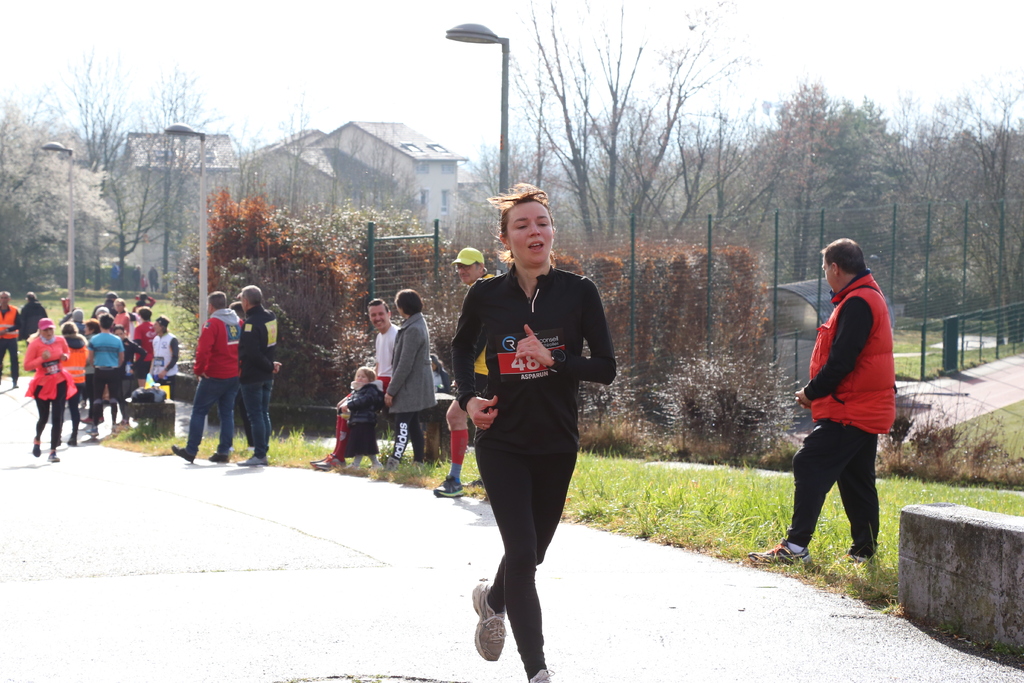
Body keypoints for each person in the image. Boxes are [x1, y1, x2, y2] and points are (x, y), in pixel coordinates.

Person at [451, 184, 616, 683]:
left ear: (552, 233)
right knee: (522, 554)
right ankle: (538, 671)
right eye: (522, 224)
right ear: (506, 239)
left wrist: (555, 358)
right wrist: (468, 399)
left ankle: (492, 598)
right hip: (501, 439)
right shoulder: (485, 294)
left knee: (534, 552)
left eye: (542, 222)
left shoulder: (579, 292)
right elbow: (461, 347)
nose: (534, 231)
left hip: (556, 442)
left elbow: (606, 368)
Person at [749, 238, 896, 566]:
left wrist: (811, 392)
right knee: (856, 479)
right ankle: (864, 553)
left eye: (825, 268)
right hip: (862, 405)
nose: (825, 274)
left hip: (851, 408)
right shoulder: (867, 296)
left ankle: (796, 547)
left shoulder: (858, 302)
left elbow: (842, 362)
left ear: (835, 268)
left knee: (809, 462)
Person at [312, 299, 398, 469]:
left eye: (381, 314)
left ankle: (339, 457)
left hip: (388, 384)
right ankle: (337, 455)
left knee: (348, 407)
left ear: (389, 314)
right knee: (341, 406)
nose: (377, 318)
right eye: (373, 315)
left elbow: (399, 367)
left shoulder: (396, 334)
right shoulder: (379, 336)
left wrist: (390, 391)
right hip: (377, 383)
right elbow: (379, 366)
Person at [435, 247, 492, 499]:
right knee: (486, 425)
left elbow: (479, 336)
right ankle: (488, 478)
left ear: (481, 266)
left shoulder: (484, 287)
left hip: (484, 371)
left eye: (467, 265)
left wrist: (465, 373)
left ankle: (455, 480)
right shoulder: (486, 287)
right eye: (459, 266)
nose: (462, 270)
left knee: (456, 416)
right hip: (485, 370)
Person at [171, 292, 242, 464]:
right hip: (234, 374)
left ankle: (191, 450)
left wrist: (199, 370)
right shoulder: (239, 323)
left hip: (214, 375)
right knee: (227, 413)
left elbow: (203, 350)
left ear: (210, 306)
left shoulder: (212, 324)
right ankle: (224, 451)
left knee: (199, 410)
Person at [383, 289, 436, 470]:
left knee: (402, 425)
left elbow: (405, 364)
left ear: (402, 306)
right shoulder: (417, 323)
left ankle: (393, 463)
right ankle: (418, 463)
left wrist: (391, 391)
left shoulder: (413, 329)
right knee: (413, 425)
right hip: (415, 386)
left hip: (410, 387)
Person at [236, 285, 280, 468]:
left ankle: (260, 454)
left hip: (253, 375)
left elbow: (252, 354)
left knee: (255, 416)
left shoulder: (250, 324)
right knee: (263, 413)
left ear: (246, 302)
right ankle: (263, 451)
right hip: (267, 375)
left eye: (241, 300)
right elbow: (271, 344)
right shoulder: (271, 317)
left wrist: (268, 365)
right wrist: (271, 365)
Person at [24, 318, 79, 462]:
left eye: (51, 329)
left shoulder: (60, 340)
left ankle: (53, 451)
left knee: (57, 416)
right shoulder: (35, 344)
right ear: (40, 331)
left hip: (59, 381)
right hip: (42, 384)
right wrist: (41, 359)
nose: (49, 332)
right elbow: (27, 366)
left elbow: (67, 353)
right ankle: (37, 439)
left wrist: (65, 357)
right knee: (43, 417)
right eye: (45, 330)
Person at [313, 367, 385, 471]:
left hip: (365, 420)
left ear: (370, 379)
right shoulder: (358, 390)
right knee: (363, 444)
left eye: (363, 377)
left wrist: (349, 405)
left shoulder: (370, 390)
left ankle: (359, 464)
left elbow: (364, 400)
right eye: (358, 376)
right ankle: (373, 464)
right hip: (358, 420)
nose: (360, 378)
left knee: (362, 443)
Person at [87, 313, 125, 436]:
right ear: (111, 325)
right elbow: (121, 358)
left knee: (97, 398)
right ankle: (114, 425)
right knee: (113, 397)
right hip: (113, 370)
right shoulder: (117, 340)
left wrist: (94, 364)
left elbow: (90, 357)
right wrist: (116, 365)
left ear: (100, 324)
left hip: (99, 370)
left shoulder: (94, 339)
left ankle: (94, 426)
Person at [61, 322, 88, 446]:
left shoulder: (62, 344)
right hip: (79, 380)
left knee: (60, 408)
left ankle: (57, 435)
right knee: (74, 409)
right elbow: (87, 361)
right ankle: (74, 435)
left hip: (64, 380)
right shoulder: (83, 344)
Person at [150, 315, 179, 396]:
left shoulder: (172, 339)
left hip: (168, 374)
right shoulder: (155, 339)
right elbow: (154, 356)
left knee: (168, 398)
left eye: (156, 324)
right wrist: (151, 372)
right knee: (157, 398)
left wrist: (165, 370)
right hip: (157, 374)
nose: (154, 326)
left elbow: (175, 357)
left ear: (162, 327)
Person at [0, 291, 21, 389]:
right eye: (2, 297)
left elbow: (19, 324)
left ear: (9, 299)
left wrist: (7, 330)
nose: (3, 300)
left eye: (5, 298)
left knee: (14, 360)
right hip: (0, 339)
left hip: (11, 339)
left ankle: (15, 381)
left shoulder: (14, 310)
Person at [132, 307, 156, 388]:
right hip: (154, 358)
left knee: (142, 384)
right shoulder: (155, 327)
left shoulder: (139, 328)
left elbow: (137, 343)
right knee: (153, 382)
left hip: (142, 358)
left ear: (140, 316)